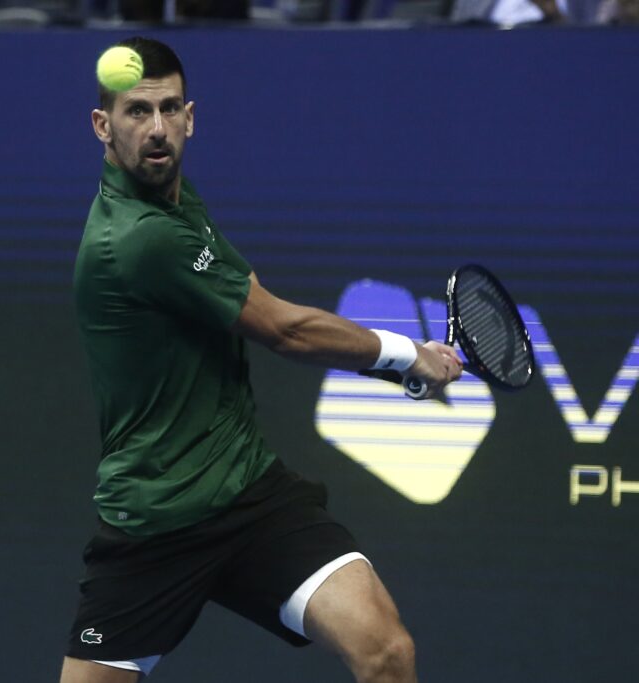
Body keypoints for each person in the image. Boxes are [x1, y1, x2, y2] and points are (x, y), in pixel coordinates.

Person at [61, 37, 462, 683]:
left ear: (191, 116)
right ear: (102, 127)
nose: (157, 130)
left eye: (168, 110)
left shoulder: (175, 199)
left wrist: (398, 364)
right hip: (155, 519)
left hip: (247, 492)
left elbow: (248, 303)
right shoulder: (137, 238)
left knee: (386, 650)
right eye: (137, 113)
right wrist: (406, 356)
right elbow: (285, 329)